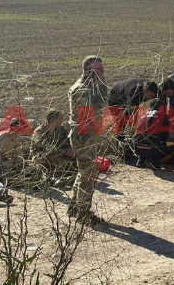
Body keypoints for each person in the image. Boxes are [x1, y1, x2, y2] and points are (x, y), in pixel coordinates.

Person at [67, 55, 110, 224]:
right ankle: (83, 213)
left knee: (84, 172)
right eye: (99, 69)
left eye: (102, 68)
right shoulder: (82, 90)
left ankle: (75, 206)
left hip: (86, 134)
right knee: (88, 175)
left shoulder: (88, 87)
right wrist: (103, 89)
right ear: (88, 71)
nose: (102, 72)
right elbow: (93, 110)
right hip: (83, 136)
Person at [131, 98, 174, 170]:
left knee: (145, 140)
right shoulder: (162, 115)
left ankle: (141, 160)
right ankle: (152, 160)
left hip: (137, 148)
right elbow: (165, 135)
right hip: (151, 149)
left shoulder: (143, 115)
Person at [30, 110, 75, 181]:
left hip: (57, 154)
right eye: (60, 119)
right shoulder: (40, 131)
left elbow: (70, 140)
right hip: (42, 157)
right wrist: (64, 152)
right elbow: (45, 147)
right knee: (56, 159)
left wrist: (72, 150)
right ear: (53, 120)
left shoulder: (61, 130)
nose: (62, 121)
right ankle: (50, 178)